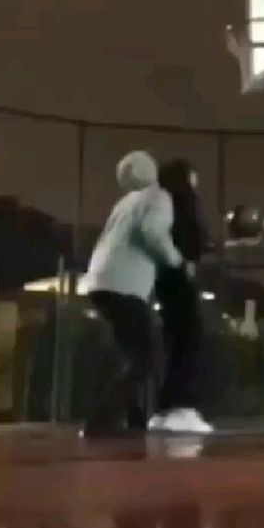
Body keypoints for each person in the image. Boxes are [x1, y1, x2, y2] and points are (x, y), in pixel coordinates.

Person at [83, 150, 185, 438]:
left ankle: (135, 419)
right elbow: (153, 231)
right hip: (123, 285)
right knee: (148, 358)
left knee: (132, 353)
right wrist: (175, 261)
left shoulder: (125, 202)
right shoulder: (157, 196)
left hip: (98, 281)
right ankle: (101, 422)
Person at [147, 158, 214, 435]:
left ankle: (165, 409)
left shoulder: (158, 202)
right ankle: (182, 408)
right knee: (189, 337)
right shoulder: (183, 203)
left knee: (175, 340)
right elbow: (192, 241)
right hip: (177, 278)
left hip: (163, 279)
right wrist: (182, 259)